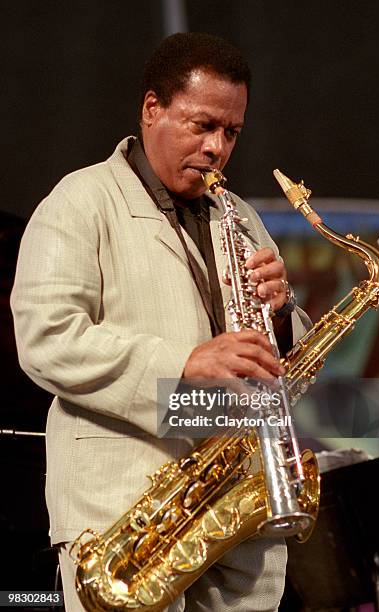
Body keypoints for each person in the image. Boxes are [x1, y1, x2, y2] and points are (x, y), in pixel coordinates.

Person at [11, 32, 310, 611]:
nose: (218, 148)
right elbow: (45, 338)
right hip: (128, 521)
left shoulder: (241, 216)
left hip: (235, 526)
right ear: (152, 110)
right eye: (203, 125)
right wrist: (182, 365)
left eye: (232, 133)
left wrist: (280, 321)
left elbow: (279, 375)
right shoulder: (79, 200)